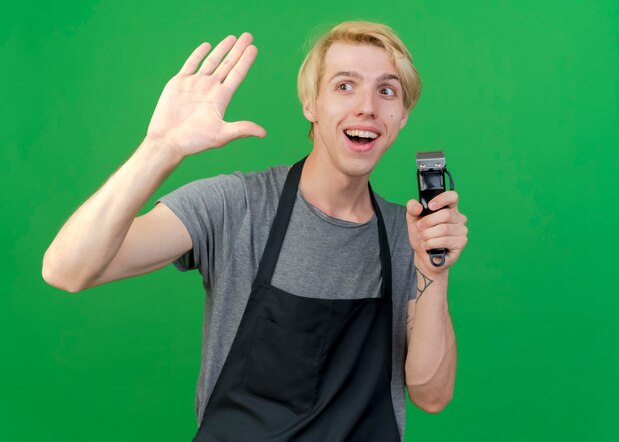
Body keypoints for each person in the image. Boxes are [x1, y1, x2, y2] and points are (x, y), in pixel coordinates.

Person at [43, 21, 468, 441]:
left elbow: (431, 394)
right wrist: (161, 148)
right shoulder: (239, 205)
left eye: (386, 90)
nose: (367, 107)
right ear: (310, 104)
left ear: (403, 115)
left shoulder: (408, 235)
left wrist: (434, 267)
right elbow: (67, 269)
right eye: (344, 86)